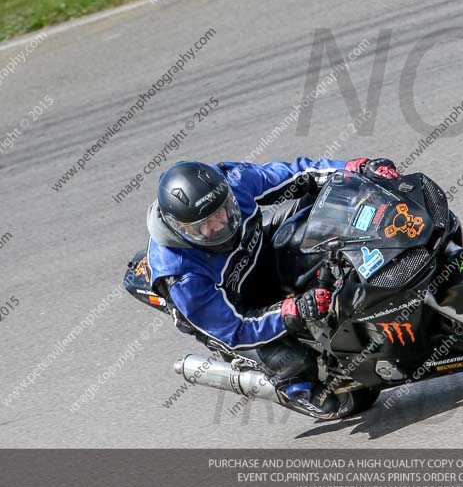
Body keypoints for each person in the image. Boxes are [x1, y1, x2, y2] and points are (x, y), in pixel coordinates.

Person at [145, 156, 399, 418]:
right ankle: (294, 389)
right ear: (181, 231)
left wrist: (354, 169)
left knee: (331, 208)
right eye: (204, 227)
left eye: (221, 212)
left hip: (258, 255)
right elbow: (236, 329)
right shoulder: (181, 275)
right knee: (305, 375)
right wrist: (292, 311)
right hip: (236, 310)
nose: (219, 225)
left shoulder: (234, 181)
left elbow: (298, 175)